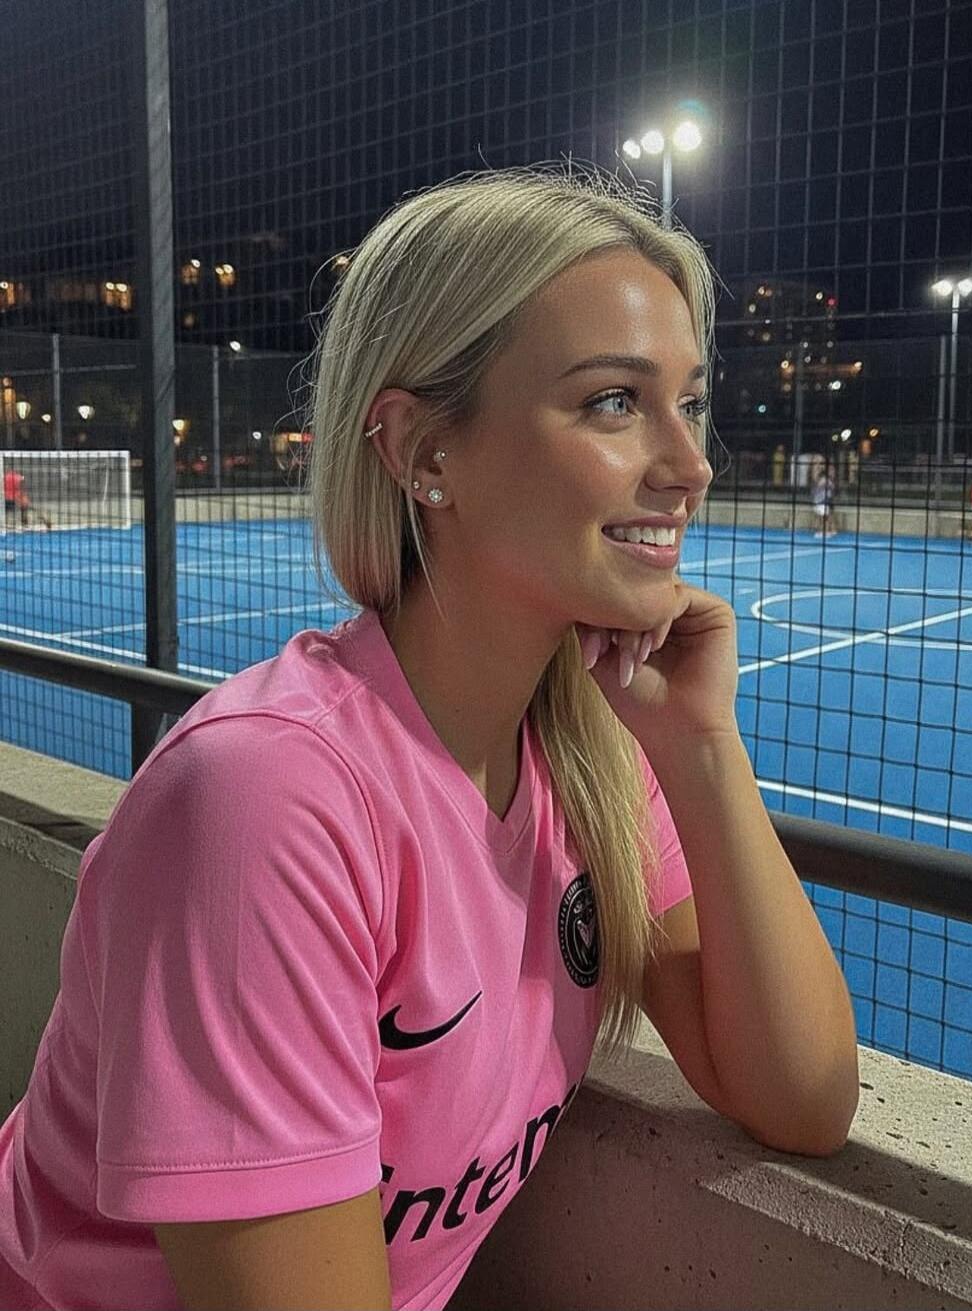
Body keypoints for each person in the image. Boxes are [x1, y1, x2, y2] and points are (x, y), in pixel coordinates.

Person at [0, 165, 859, 1311]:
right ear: (422, 453)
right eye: (614, 401)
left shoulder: (588, 757)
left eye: (687, 401)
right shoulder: (270, 796)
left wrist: (700, 751)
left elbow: (801, 1098)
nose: (689, 465)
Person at [812, 459, 838, 537]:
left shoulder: (825, 480)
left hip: (824, 501)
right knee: (822, 517)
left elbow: (832, 487)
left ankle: (826, 532)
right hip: (819, 501)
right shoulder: (820, 480)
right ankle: (824, 531)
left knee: (825, 518)